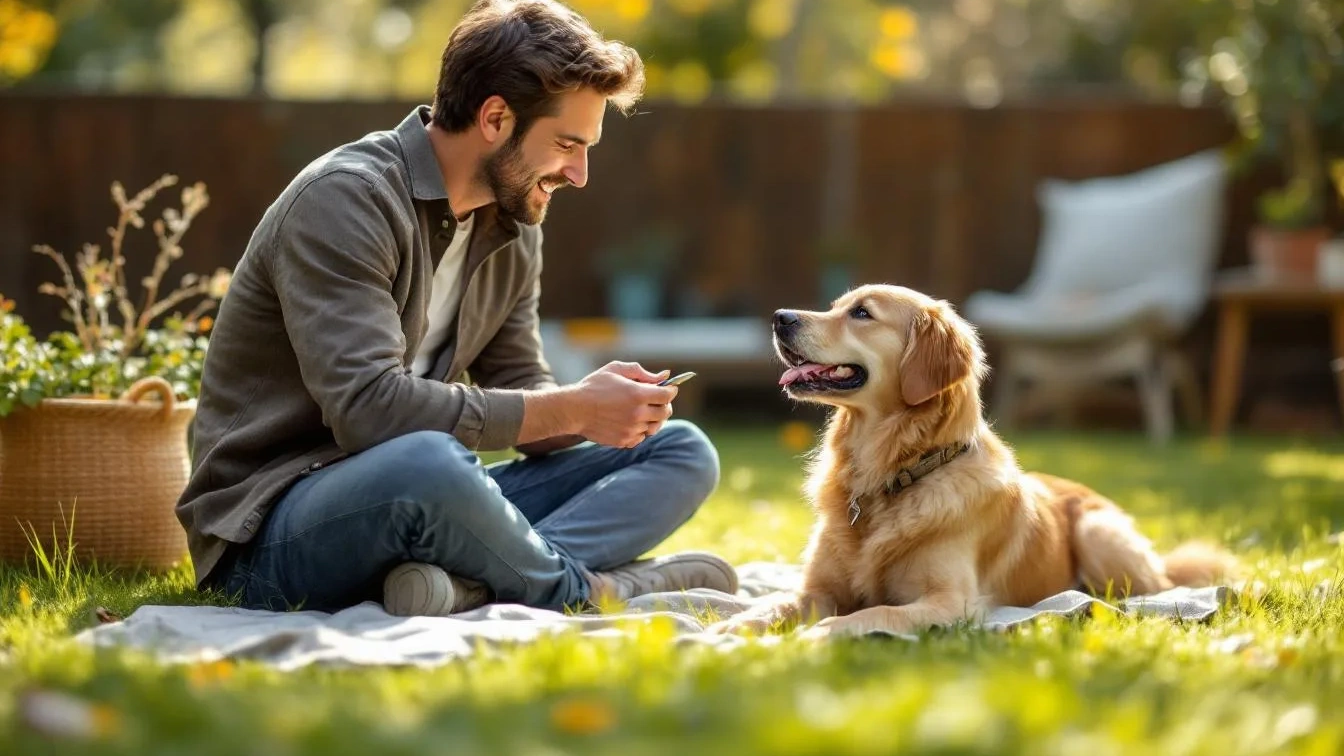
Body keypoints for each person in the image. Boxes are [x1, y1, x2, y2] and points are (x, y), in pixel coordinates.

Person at [176, 0, 737, 617]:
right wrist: (568, 407)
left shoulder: (514, 224)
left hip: (416, 496)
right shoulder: (346, 200)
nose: (579, 174)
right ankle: (590, 590)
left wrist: (601, 411)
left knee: (680, 448)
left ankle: (476, 583)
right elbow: (368, 412)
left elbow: (524, 388)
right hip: (268, 534)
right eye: (567, 145)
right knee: (430, 463)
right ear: (496, 117)